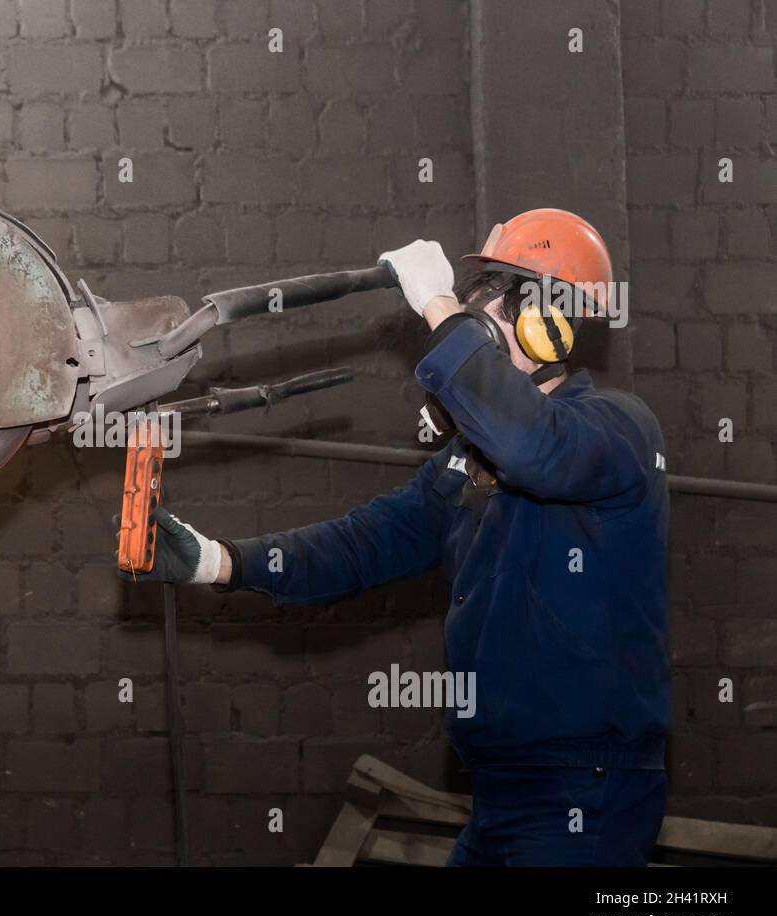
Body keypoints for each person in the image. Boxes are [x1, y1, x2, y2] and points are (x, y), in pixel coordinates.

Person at [121, 209, 671, 866]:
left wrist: (439, 304)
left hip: (586, 791)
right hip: (499, 794)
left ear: (547, 327)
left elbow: (532, 446)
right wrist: (218, 562)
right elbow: (360, 546)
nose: (464, 332)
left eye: (482, 317)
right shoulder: (464, 465)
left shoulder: (616, 431)